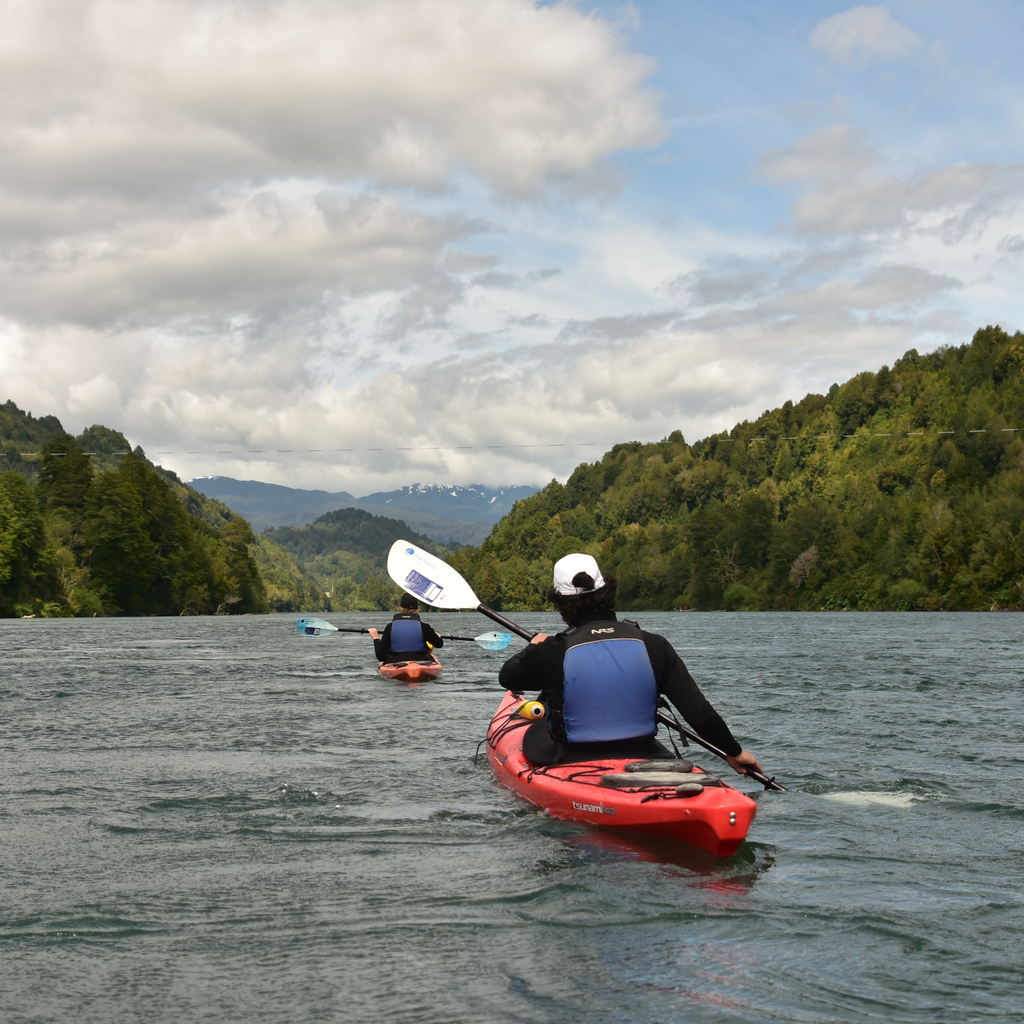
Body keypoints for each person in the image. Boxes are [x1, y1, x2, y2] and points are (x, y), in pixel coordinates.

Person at [498, 553, 764, 774]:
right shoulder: (654, 645)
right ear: (606, 591)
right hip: (644, 752)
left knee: (538, 727)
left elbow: (507, 677)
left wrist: (535, 646)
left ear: (559, 603)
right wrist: (734, 751)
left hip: (572, 756)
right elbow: (700, 714)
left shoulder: (551, 652)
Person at [368, 594, 444, 664]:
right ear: (418, 608)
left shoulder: (390, 627)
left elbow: (380, 656)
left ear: (400, 607)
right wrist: (437, 637)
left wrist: (376, 638)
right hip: (421, 660)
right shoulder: (424, 627)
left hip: (395, 661)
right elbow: (439, 644)